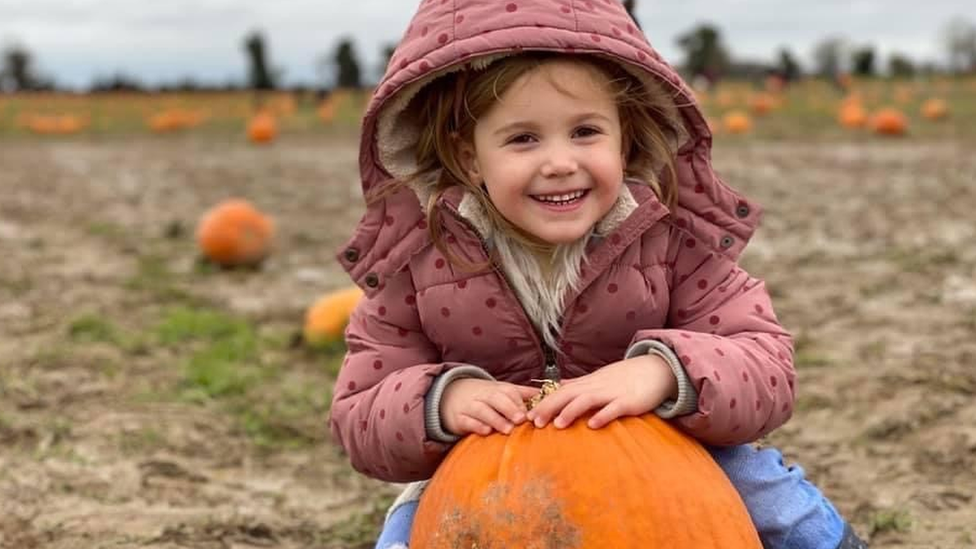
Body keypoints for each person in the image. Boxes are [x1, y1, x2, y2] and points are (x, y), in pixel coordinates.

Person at [329, 1, 867, 548]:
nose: (560, 161)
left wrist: (664, 374)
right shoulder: (416, 266)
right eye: (523, 138)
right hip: (481, 469)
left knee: (775, 504)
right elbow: (358, 410)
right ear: (469, 159)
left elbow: (766, 363)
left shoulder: (673, 242)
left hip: (669, 447)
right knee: (404, 537)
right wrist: (437, 401)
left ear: (624, 138)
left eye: (585, 131)